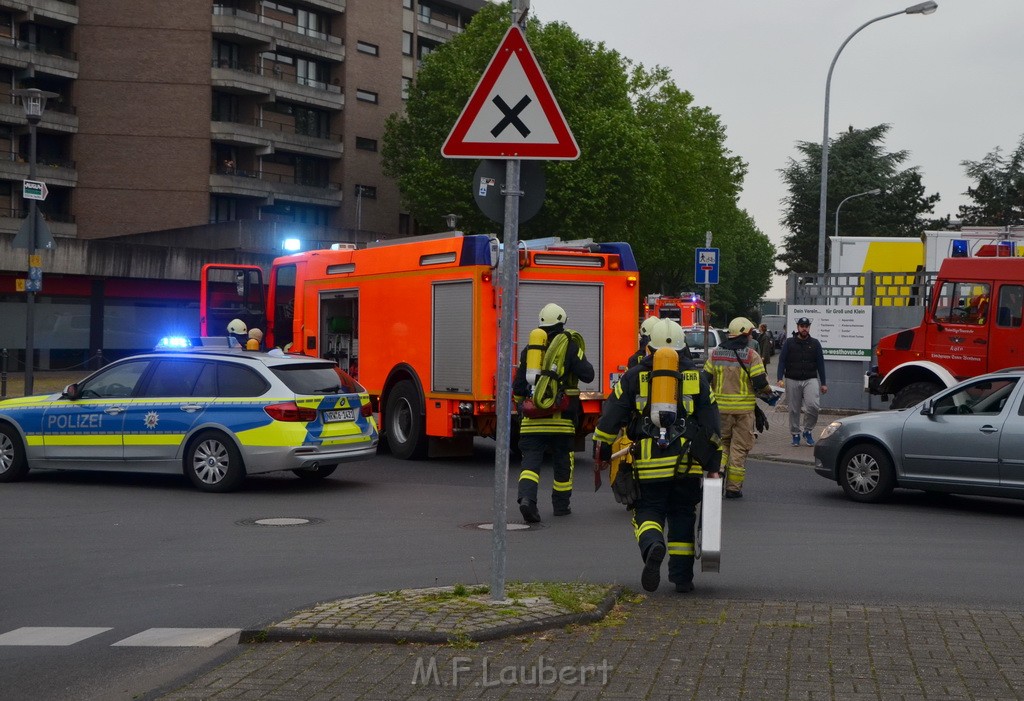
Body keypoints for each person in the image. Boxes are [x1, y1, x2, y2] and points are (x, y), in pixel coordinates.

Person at [593, 318, 723, 594]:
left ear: (648, 347)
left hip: (649, 465)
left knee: (648, 512)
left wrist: (603, 450)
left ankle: (653, 545)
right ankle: (682, 579)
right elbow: (712, 424)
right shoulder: (696, 377)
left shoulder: (632, 376)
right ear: (683, 347)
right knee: (683, 517)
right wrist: (713, 464)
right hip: (686, 465)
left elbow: (610, 418)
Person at [512, 303, 594, 523]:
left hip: (532, 420)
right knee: (563, 463)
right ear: (562, 322)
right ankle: (561, 506)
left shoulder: (529, 350)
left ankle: (527, 500)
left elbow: (519, 387)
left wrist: (521, 407)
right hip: (562, 420)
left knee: (530, 464)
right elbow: (588, 375)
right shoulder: (569, 346)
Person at [702, 317, 773, 499]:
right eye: (750, 333)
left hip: (719, 411)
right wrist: (769, 391)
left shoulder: (715, 354)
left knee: (722, 445)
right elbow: (760, 383)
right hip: (743, 412)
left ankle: (718, 474)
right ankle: (733, 488)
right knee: (739, 449)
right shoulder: (751, 355)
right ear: (745, 334)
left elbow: (704, 380)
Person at [776, 316, 827, 447]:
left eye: (806, 326)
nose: (804, 329)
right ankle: (795, 434)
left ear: (809, 328)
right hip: (792, 378)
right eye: (802, 326)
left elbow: (820, 364)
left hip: (810, 378)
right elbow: (781, 361)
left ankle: (807, 430)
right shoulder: (789, 343)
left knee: (813, 406)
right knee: (794, 409)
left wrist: (824, 383)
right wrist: (779, 378)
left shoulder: (815, 343)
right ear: (798, 327)